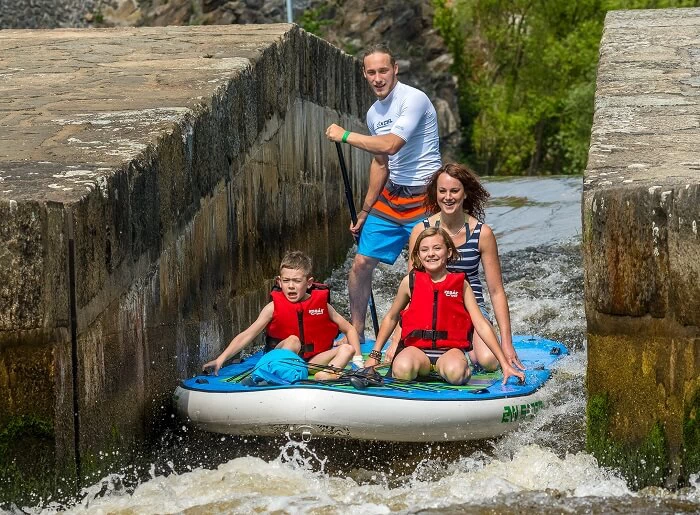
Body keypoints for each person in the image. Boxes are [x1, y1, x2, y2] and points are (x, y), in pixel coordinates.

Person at [325, 43, 441, 341]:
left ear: (395, 70)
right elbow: (381, 163)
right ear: (365, 74)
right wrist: (365, 211)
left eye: (383, 71)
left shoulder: (413, 99)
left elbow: (391, 145)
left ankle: (418, 334)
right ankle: (358, 334)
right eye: (371, 72)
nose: (378, 78)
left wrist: (346, 136)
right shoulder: (374, 113)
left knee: (422, 270)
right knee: (361, 263)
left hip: (427, 196)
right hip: (393, 197)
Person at [363, 227, 524, 385]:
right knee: (402, 369)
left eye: (437, 248)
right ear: (418, 255)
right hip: (417, 351)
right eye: (424, 249)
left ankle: (449, 370)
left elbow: (481, 324)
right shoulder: (409, 282)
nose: (431, 253)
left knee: (457, 373)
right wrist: (375, 355)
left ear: (448, 252)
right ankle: (422, 372)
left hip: (449, 352)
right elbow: (392, 317)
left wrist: (504, 363)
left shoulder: (462, 285)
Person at [405, 163, 524, 371]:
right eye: (442, 191)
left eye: (454, 190)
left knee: (489, 361)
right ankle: (456, 352)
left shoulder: (482, 233)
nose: (448, 197)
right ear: (436, 194)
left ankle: (467, 348)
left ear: (465, 194)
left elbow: (496, 291)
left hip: (472, 310)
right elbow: (411, 288)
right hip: (433, 312)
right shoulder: (420, 231)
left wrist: (507, 342)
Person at [203, 251, 362, 381]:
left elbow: (350, 330)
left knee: (347, 349)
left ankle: (327, 374)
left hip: (312, 363)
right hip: (282, 358)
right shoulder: (272, 307)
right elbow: (247, 335)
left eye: (297, 281)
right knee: (293, 340)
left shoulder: (323, 306)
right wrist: (221, 359)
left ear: (308, 282)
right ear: (279, 281)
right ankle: (280, 374)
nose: (291, 286)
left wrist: (358, 362)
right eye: (286, 281)